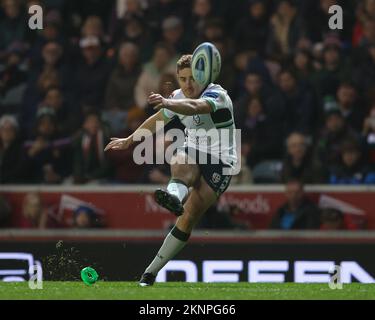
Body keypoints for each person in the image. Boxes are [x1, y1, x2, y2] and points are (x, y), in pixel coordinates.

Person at [104, 53, 237, 286]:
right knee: (180, 158)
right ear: (177, 78)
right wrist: (130, 140)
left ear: (203, 77)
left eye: (193, 79)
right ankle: (174, 197)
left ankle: (152, 270)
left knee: (188, 219)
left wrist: (167, 102)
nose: (188, 84)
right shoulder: (177, 97)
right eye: (183, 79)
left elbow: (196, 107)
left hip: (221, 163)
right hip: (193, 151)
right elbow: (158, 119)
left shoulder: (217, 95)